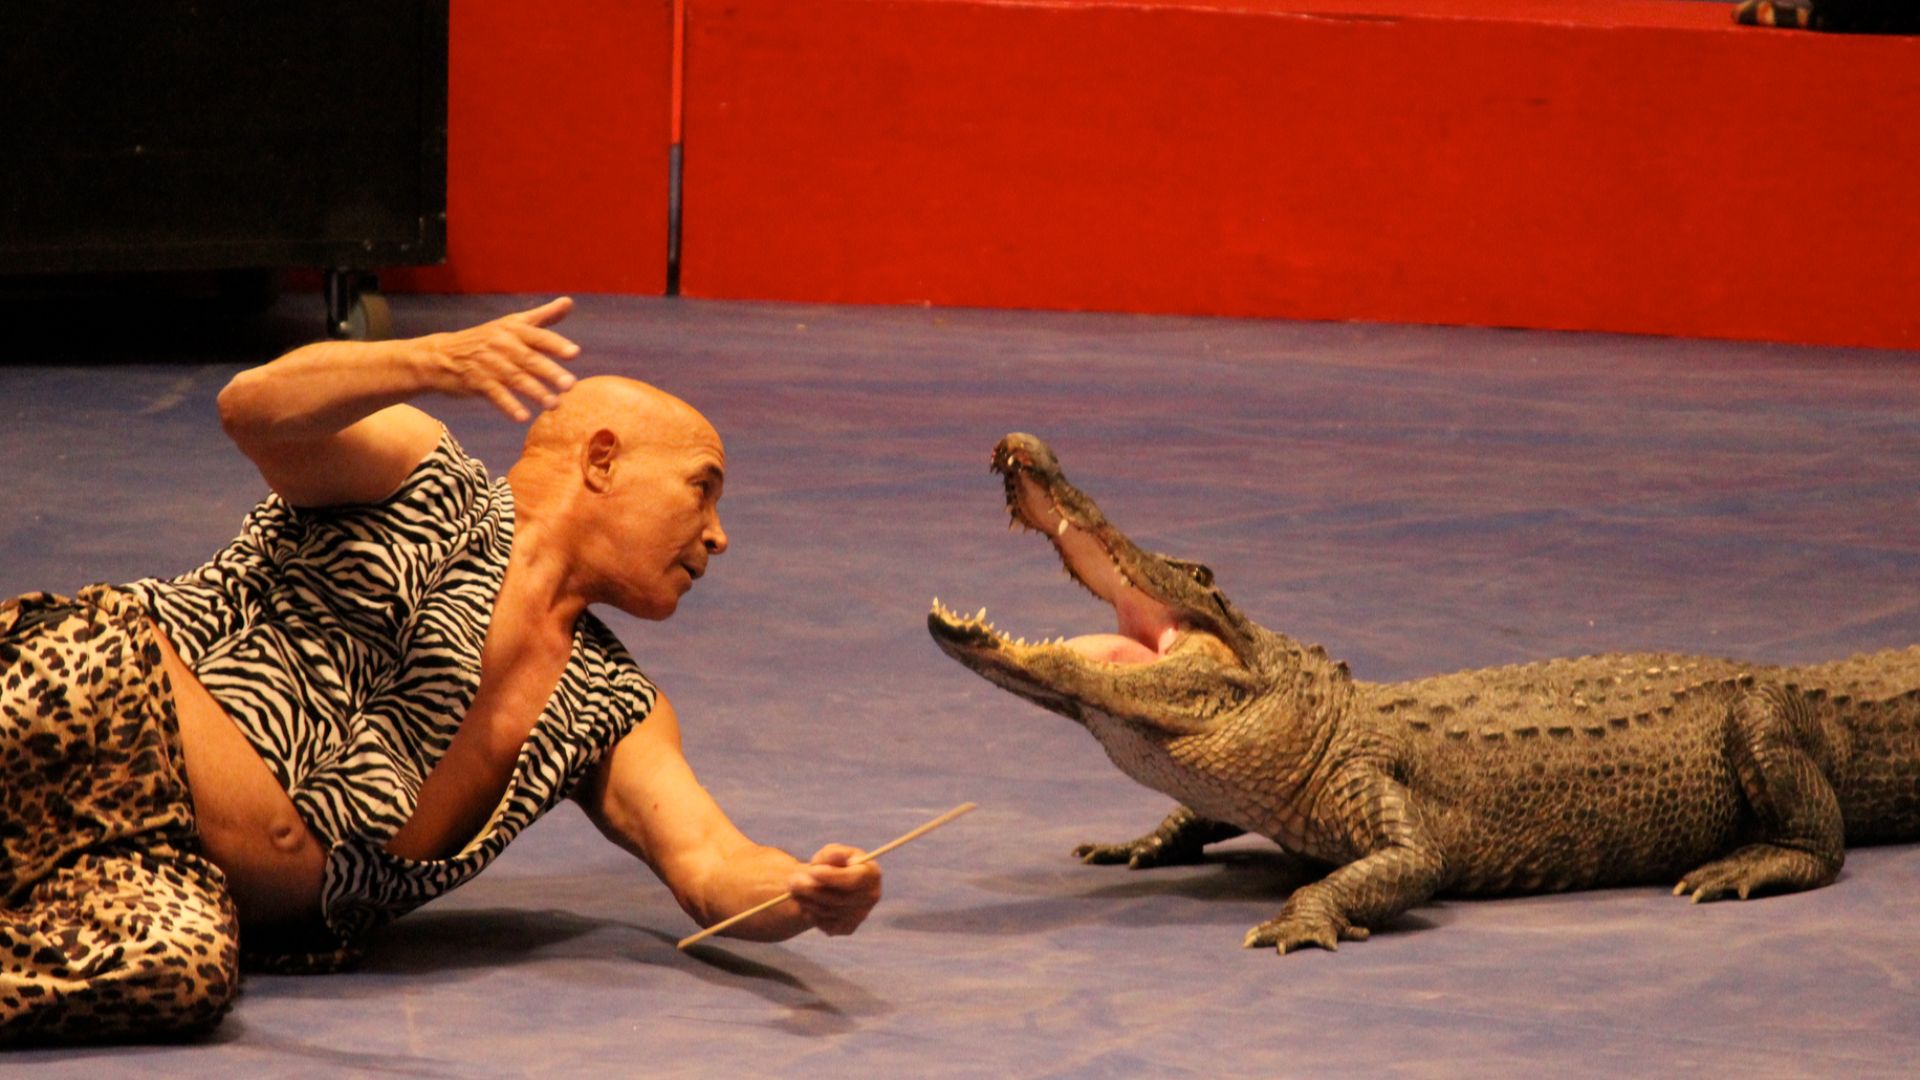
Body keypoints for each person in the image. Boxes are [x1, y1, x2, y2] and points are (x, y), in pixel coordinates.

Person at [0, 297, 882, 1043]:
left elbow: (711, 863)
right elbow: (252, 409)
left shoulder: (611, 708)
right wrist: (430, 358)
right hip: (90, 697)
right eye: (703, 487)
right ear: (604, 460)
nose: (719, 534)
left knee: (179, 972)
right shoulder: (424, 479)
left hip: (160, 868)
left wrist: (806, 891)